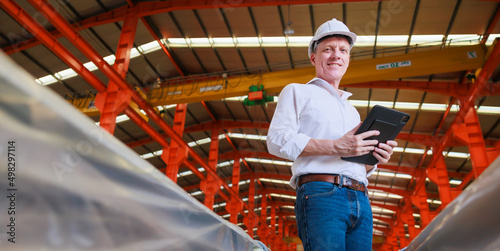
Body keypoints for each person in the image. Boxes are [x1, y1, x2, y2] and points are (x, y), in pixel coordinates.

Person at [266, 18, 397, 251]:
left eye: (343, 50)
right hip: (322, 195)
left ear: (348, 59)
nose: (336, 55)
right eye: (328, 49)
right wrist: (336, 146)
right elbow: (277, 140)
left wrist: (375, 158)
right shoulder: (297, 92)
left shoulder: (353, 111)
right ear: (314, 58)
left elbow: (352, 161)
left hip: (361, 198)